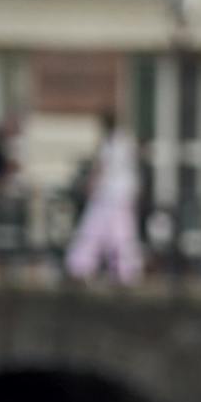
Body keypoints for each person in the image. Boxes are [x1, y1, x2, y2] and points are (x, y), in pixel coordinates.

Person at [64, 121, 145, 286]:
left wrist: (92, 185)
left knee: (95, 230)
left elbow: (102, 167)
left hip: (109, 195)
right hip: (120, 194)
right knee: (121, 233)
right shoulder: (126, 143)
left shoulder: (111, 144)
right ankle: (125, 271)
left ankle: (82, 267)